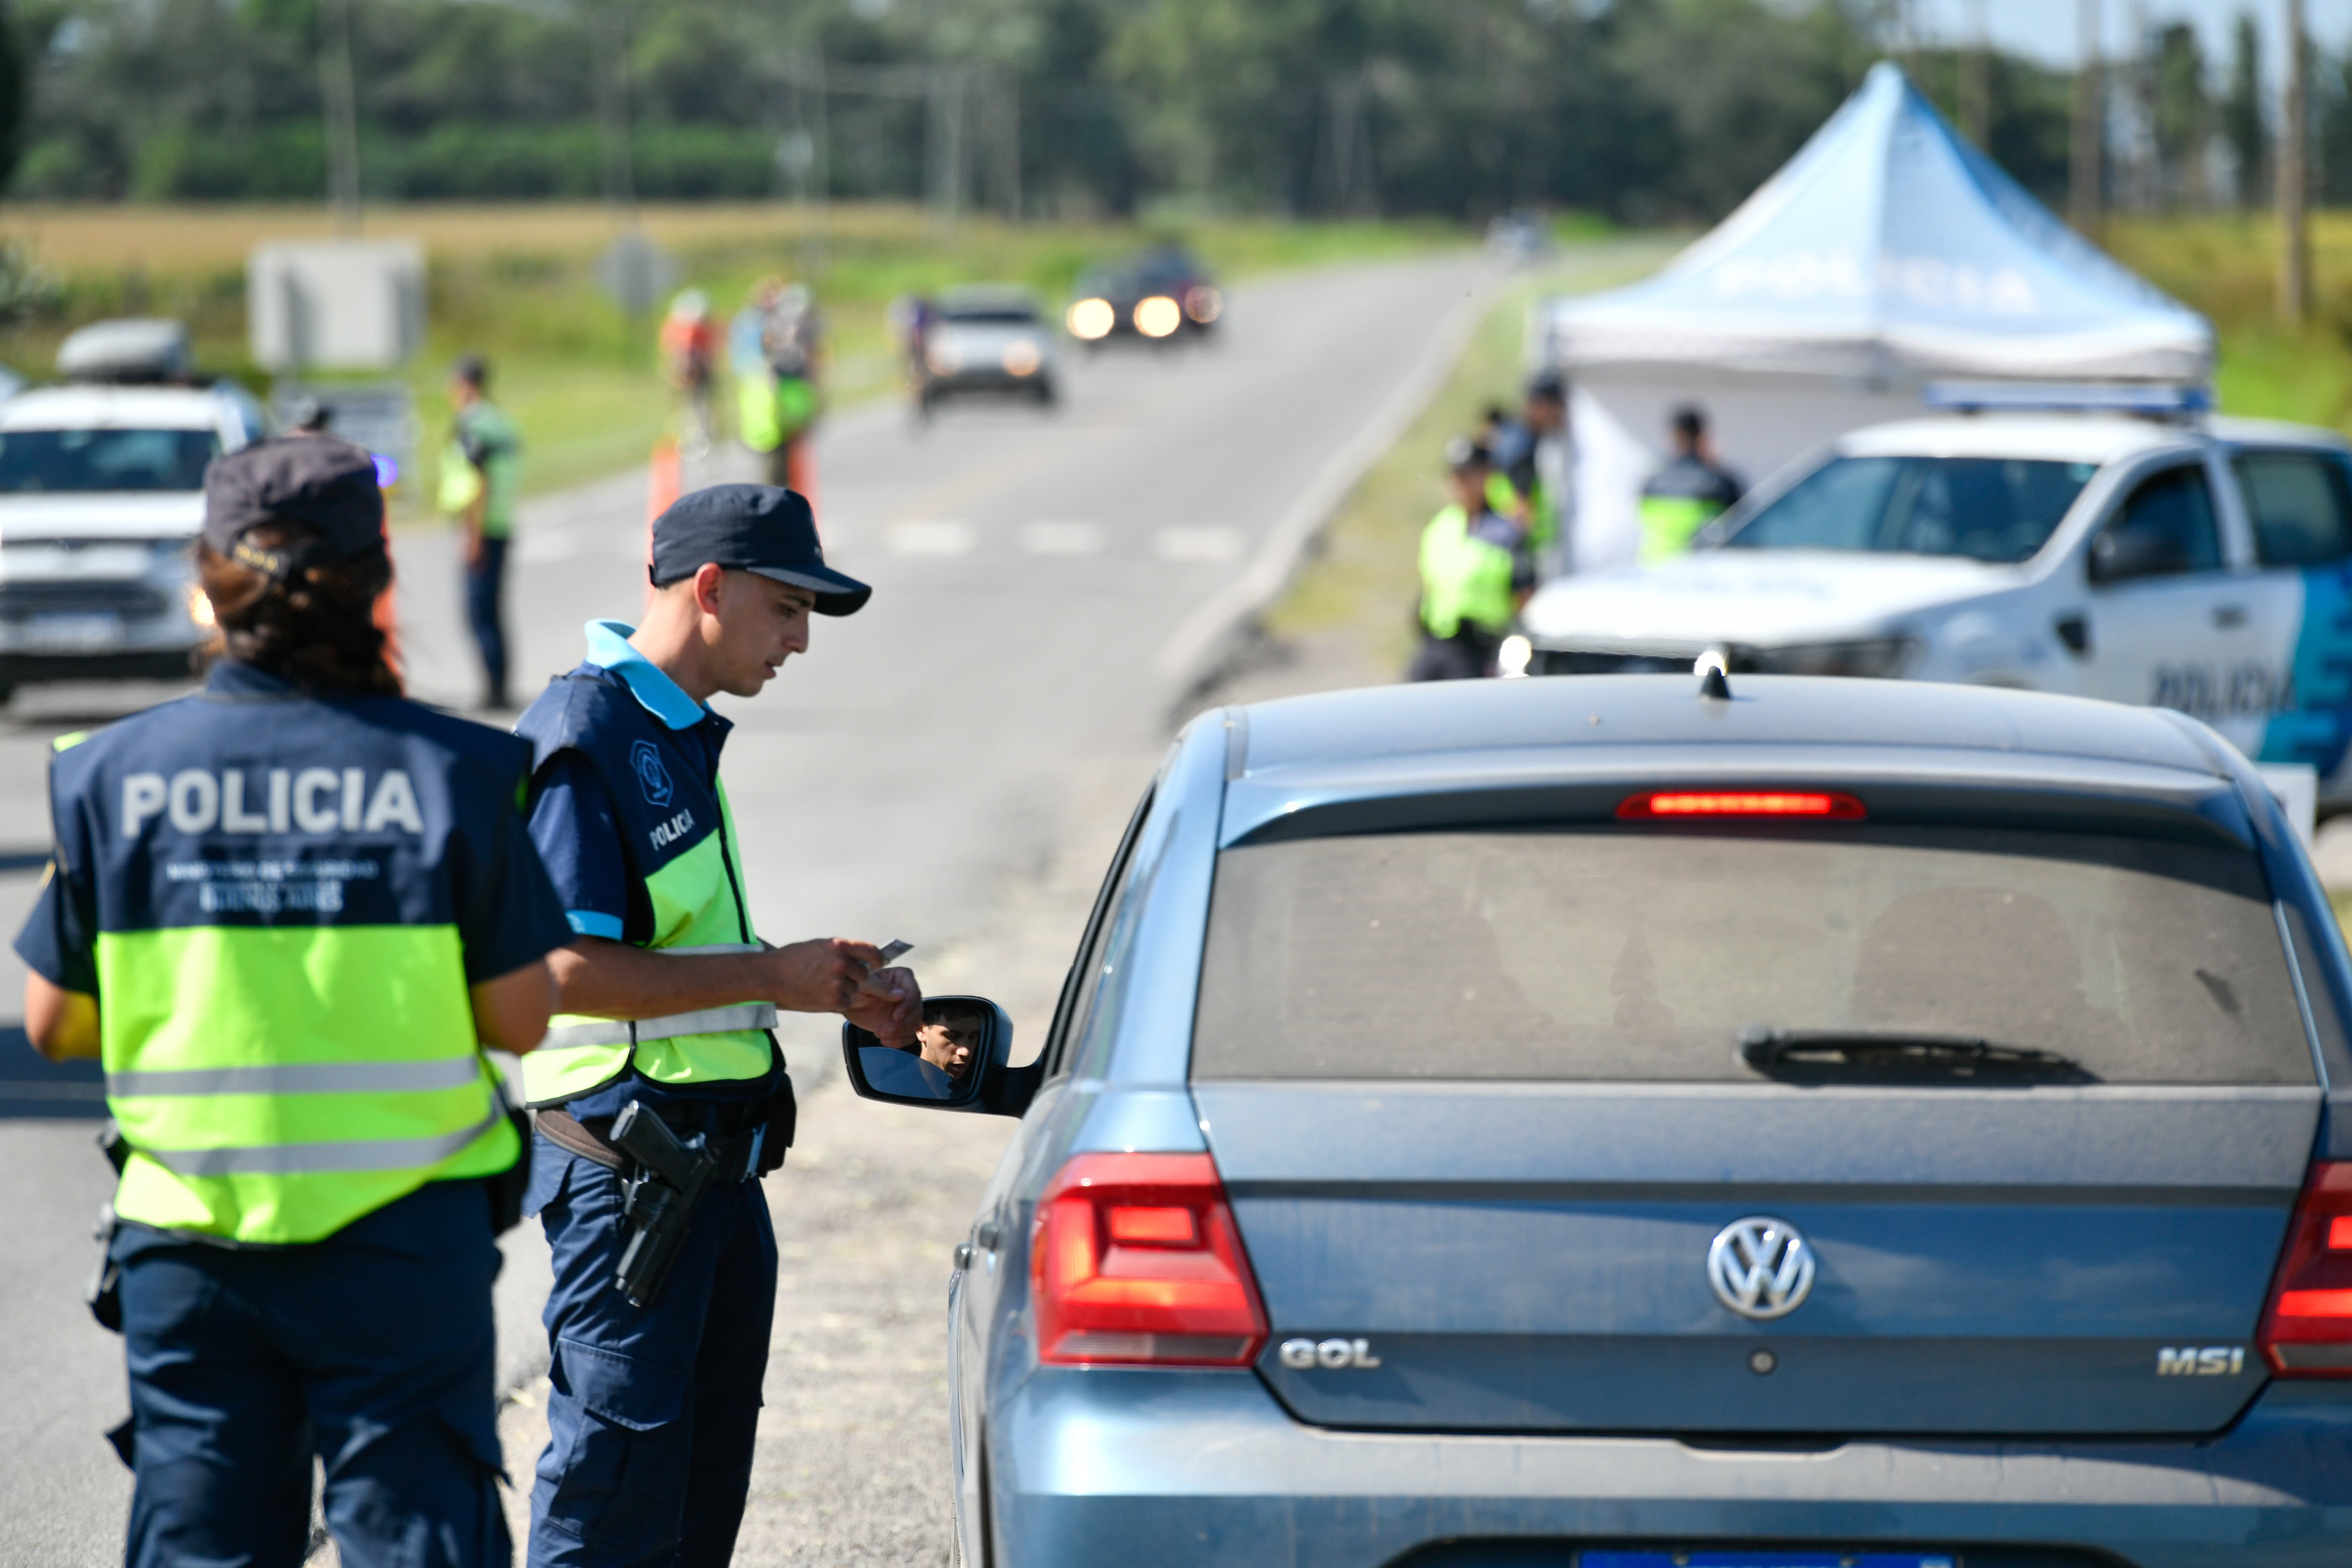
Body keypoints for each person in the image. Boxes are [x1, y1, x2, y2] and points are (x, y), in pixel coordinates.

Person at [14, 436, 571, 1567]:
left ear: (209, 578)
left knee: (204, 1545)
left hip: (190, 1244)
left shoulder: (107, 774)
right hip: (406, 1242)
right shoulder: (458, 774)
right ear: (376, 581)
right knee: (416, 1534)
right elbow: (521, 1019)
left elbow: (55, 1022)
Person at [511, 481, 921, 1567]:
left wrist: (832, 987)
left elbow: (697, 971)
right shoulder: (589, 727)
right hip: (632, 1180)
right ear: (709, 587)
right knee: (608, 1502)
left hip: (711, 1181)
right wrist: (777, 977)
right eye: (787, 610)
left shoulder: (675, 730)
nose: (799, 641)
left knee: (693, 1509)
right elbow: (562, 969)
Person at [1408, 437, 1534, 682]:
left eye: (1469, 475)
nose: (1461, 484)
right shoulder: (1441, 527)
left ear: (1486, 477)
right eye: (1456, 476)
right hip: (1436, 641)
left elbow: (1524, 595)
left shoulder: (1505, 533)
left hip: (1480, 648)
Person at [439, 355, 523, 710]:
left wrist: (471, 535)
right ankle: (499, 685)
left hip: (482, 528)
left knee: (479, 613)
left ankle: (494, 691)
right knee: (494, 611)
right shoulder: (498, 421)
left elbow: (478, 478)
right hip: (500, 524)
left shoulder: (473, 424)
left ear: (464, 384)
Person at [731, 278, 826, 495]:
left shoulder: (791, 327)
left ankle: (781, 497)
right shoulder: (756, 324)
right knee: (773, 462)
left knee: (785, 459)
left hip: (787, 397)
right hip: (770, 399)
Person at [1487, 373, 1572, 575]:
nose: (1562, 417)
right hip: (1513, 555)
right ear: (1543, 407)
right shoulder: (1524, 446)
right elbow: (1521, 513)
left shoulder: (1513, 435)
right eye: (1559, 409)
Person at [1639, 404, 1743, 564]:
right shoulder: (1720, 483)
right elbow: (1745, 524)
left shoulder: (1651, 482)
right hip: (1698, 575)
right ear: (1703, 438)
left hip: (1652, 570)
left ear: (1672, 437)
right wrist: (1714, 464)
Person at [660, 290, 718, 453]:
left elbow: (708, 353)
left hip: (699, 374)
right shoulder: (676, 328)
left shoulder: (699, 329)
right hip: (683, 374)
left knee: (702, 406)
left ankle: (703, 436)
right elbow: (672, 354)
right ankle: (687, 437)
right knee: (686, 408)